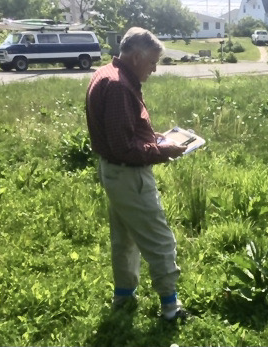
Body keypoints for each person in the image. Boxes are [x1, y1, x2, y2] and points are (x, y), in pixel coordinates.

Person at [85, 27, 188, 321]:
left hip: (114, 173)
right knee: (160, 239)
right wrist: (162, 151)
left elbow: (122, 132)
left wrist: (151, 136)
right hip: (129, 176)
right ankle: (171, 307)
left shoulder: (107, 73)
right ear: (137, 56)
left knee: (125, 238)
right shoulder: (118, 85)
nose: (154, 69)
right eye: (153, 62)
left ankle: (124, 297)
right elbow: (123, 147)